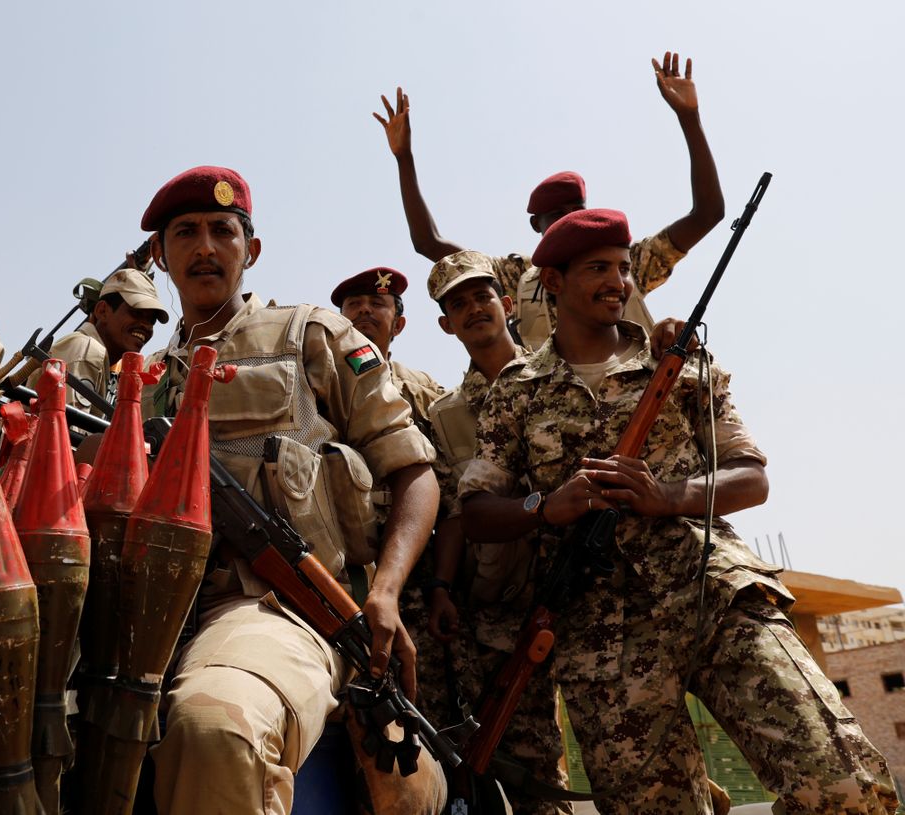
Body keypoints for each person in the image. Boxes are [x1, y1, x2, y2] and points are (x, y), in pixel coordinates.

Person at [459, 209, 898, 814]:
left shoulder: (682, 365)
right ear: (553, 284)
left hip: (709, 592)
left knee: (844, 785)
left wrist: (671, 496)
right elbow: (478, 509)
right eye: (597, 269)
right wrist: (546, 506)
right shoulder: (515, 389)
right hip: (600, 639)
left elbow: (750, 476)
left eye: (621, 268)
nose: (618, 282)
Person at [137, 166, 444, 814]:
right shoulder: (138, 381)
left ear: (250, 251)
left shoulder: (311, 337)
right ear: (161, 256)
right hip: (140, 611)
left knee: (216, 726)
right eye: (185, 232)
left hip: (274, 607)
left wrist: (385, 591)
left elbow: (412, 468)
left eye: (223, 230)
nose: (204, 246)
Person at [374, 51, 724, 349]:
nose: (570, 220)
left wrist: (689, 118)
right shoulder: (521, 276)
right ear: (536, 225)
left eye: (577, 211)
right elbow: (428, 243)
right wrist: (404, 158)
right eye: (557, 215)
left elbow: (708, 214)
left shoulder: (627, 263)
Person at [419, 251, 570, 815]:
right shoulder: (445, 415)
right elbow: (456, 511)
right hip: (507, 602)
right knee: (529, 759)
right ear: (446, 324)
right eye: (458, 303)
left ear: (506, 304)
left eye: (482, 296)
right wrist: (440, 587)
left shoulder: (559, 374)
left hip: (587, 584)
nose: (474, 309)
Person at [29, 268, 168, 415]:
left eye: (151, 320)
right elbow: (74, 432)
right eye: (136, 313)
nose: (146, 326)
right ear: (102, 311)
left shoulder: (112, 370)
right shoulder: (86, 348)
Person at [330, 267, 445, 431]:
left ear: (398, 325)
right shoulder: (318, 376)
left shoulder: (424, 386)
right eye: (354, 303)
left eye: (376, 303)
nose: (364, 309)